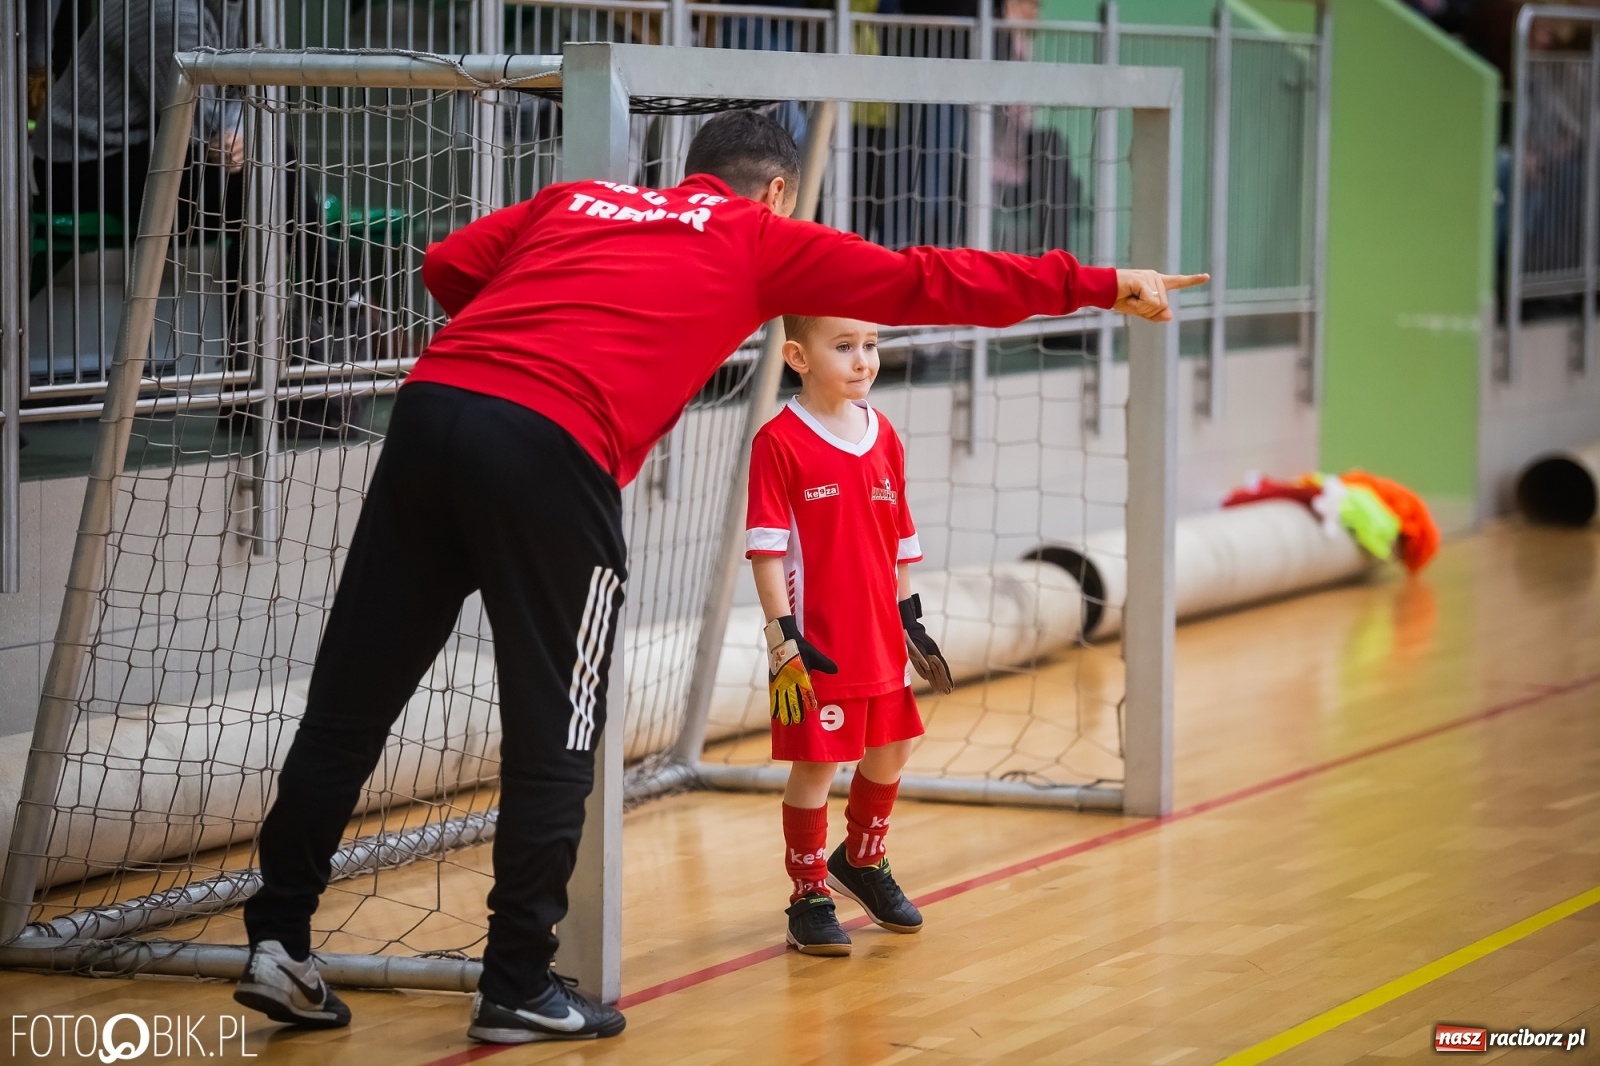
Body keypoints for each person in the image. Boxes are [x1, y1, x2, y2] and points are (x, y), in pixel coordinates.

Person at [232, 107, 1206, 1045]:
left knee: (349, 703)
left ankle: (278, 939)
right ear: (778, 191)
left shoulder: (577, 201)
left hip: (434, 408)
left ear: (687, 171)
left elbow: (443, 264)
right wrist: (1105, 282)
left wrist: (523, 345)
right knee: (556, 732)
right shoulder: (757, 237)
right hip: (551, 453)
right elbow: (925, 278)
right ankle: (517, 983)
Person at [745, 315, 955, 955]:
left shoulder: (884, 433)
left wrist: (908, 616)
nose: (863, 360)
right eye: (844, 347)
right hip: (819, 643)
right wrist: (783, 638)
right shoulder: (778, 441)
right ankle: (808, 895)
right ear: (796, 356)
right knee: (818, 765)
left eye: (871, 346)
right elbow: (765, 551)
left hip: (880, 636)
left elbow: (901, 540)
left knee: (894, 749)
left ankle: (861, 861)